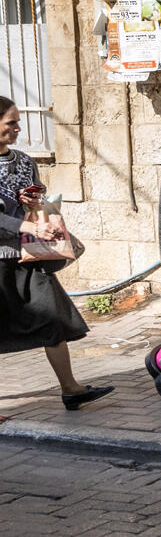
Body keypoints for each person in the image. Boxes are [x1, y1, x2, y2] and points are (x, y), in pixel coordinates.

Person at [0, 97, 114, 411]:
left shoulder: (23, 161)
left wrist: (35, 204)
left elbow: (36, 193)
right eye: (11, 122)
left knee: (51, 318)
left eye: (17, 121)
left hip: (29, 257)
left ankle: (71, 389)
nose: (18, 128)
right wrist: (30, 225)